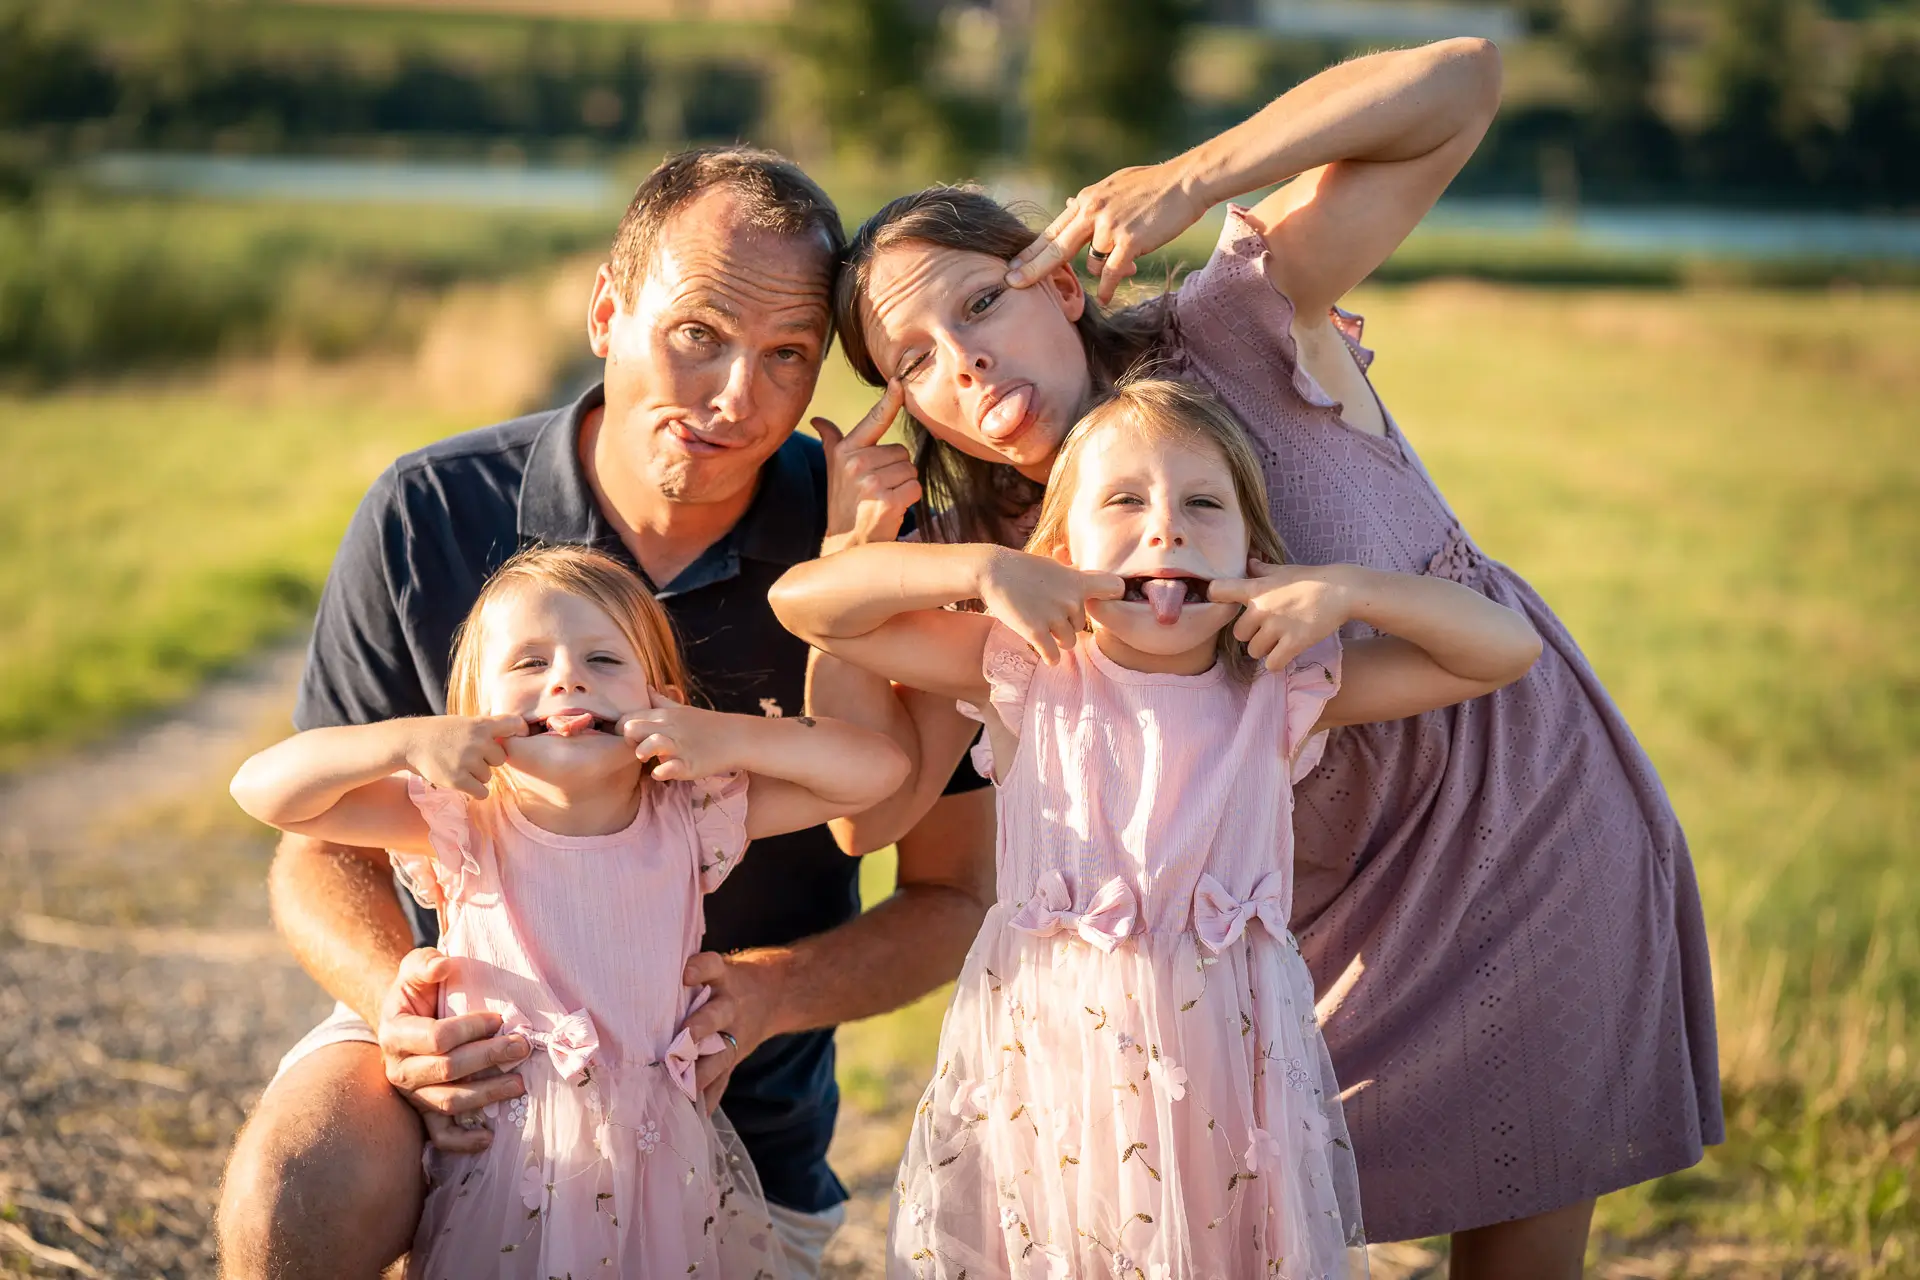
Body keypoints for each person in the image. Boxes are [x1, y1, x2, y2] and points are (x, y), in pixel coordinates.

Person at [815, 38, 1722, 1276]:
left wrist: (1190, 178)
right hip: (1263, 943)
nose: (962, 361)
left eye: (979, 302)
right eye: (913, 359)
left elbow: (1462, 83)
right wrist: (856, 548)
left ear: (1060, 283)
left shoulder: (1233, 324)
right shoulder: (1000, 560)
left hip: (1520, 821)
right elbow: (872, 814)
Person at [214, 147, 996, 1280]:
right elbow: (316, 844)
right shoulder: (429, 511)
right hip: (473, 1056)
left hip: (718, 1113)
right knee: (297, 1183)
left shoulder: (871, 547)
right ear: (605, 312)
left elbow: (953, 892)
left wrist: (772, 991)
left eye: (787, 355)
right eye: (698, 334)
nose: (737, 397)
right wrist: (404, 1011)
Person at [770, 378, 1542, 1278]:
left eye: (1203, 505)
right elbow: (806, 603)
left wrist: (1342, 592)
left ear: (1256, 557)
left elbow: (1504, 649)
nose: (1167, 529)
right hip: (1056, 1058)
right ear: (1062, 551)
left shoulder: (1279, 684)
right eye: (1125, 501)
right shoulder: (1027, 664)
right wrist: (984, 571)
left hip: (1225, 1070)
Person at [230, 545, 909, 1277]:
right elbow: (263, 792)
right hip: (506, 1162)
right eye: (529, 664)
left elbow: (878, 770)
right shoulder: (457, 818)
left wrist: (725, 735)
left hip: (651, 1170)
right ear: (474, 716)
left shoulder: (691, 811)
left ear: (663, 700)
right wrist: (405, 741)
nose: (567, 679)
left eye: (604, 661)